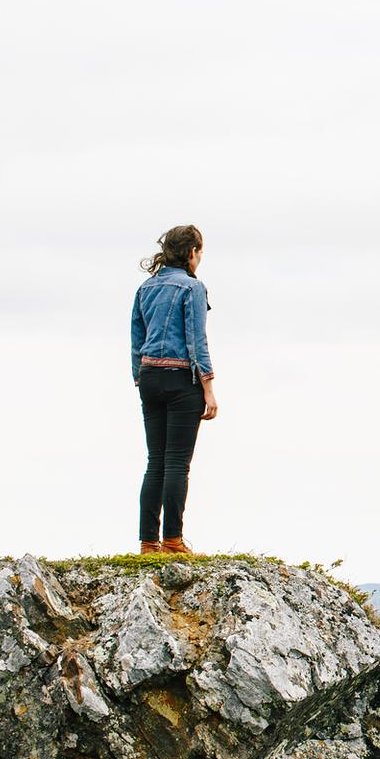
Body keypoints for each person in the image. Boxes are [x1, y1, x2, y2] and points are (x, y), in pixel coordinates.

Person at [130, 225, 218, 555]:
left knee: (156, 462)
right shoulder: (192, 288)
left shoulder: (145, 288)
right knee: (177, 463)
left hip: (150, 376)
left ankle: (148, 542)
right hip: (182, 379)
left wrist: (140, 377)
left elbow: (136, 339)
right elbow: (197, 341)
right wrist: (208, 386)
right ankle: (173, 540)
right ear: (192, 252)